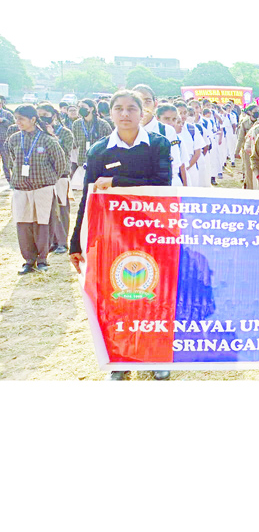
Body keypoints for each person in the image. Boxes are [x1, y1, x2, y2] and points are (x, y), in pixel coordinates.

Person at [69, 90, 172, 380]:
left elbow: (162, 184)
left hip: (152, 232)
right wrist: (76, 241)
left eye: (131, 108)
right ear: (110, 113)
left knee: (153, 294)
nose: (124, 114)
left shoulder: (158, 145)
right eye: (118, 108)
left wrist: (117, 181)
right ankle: (120, 357)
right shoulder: (100, 150)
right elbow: (87, 200)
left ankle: (155, 354)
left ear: (143, 113)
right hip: (113, 235)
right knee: (117, 296)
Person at [6, 105, 68, 274]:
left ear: (33, 119)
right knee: (23, 225)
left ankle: (42, 259)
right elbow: (12, 161)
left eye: (21, 119)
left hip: (43, 190)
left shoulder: (48, 140)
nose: (17, 122)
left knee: (43, 224)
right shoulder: (13, 139)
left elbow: (60, 164)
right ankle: (28, 260)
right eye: (16, 118)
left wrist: (49, 181)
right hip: (21, 190)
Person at [38, 103, 73, 253]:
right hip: (45, 177)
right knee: (49, 210)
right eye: (39, 115)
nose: (42, 118)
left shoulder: (65, 133)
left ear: (54, 115)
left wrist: (52, 136)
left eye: (45, 114)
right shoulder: (39, 133)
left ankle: (62, 242)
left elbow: (65, 153)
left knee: (62, 209)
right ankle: (53, 240)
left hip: (61, 175)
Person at [70, 98, 112, 188]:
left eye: (83, 107)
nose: (80, 109)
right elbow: (75, 143)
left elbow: (110, 145)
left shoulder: (103, 124)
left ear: (92, 108)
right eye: (79, 107)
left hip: (99, 163)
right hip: (82, 161)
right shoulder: (76, 124)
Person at [0, 95, 15, 183]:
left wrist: (4, 120)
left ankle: (10, 180)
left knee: (7, 162)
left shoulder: (7, 114)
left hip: (4, 141)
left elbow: (13, 125)